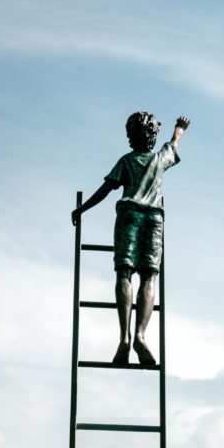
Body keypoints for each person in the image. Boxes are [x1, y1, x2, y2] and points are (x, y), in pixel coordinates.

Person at [72, 112, 190, 365]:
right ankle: (140, 335)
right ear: (152, 136)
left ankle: (124, 337)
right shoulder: (160, 159)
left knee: (124, 273)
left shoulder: (126, 161)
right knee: (149, 276)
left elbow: (106, 189)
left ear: (133, 136)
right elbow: (174, 144)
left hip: (129, 216)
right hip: (154, 218)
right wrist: (179, 128)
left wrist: (83, 210)